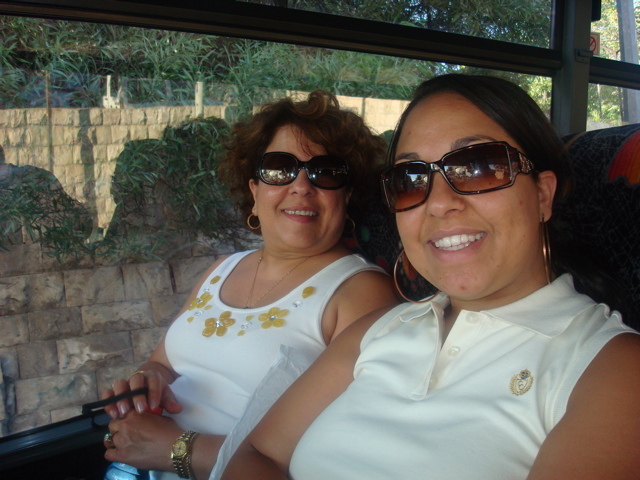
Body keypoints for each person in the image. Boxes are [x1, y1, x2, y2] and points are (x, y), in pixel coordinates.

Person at [221, 75, 640, 480]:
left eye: (478, 167)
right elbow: (255, 455)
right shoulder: (377, 329)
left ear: (542, 195)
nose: (439, 203)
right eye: (411, 179)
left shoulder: (610, 369)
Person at [100, 90, 399, 480]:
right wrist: (150, 383)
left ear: (347, 195)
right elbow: (162, 363)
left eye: (326, 172)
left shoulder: (359, 292)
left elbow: (335, 453)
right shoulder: (222, 269)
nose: (302, 185)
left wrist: (174, 448)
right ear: (255, 190)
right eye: (279, 168)